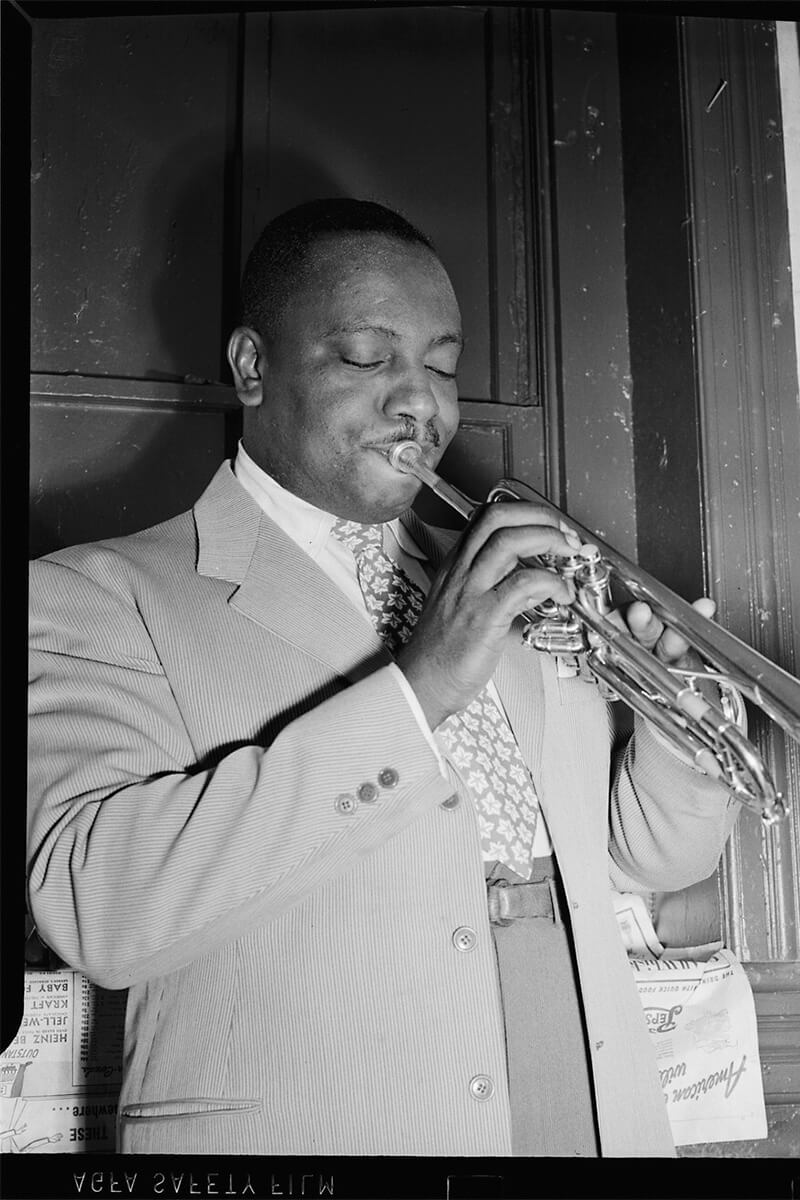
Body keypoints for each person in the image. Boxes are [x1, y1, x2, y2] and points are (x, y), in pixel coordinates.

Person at [28, 198, 739, 1158]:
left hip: (594, 1116)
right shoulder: (96, 594)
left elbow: (648, 858)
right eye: (368, 359)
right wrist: (421, 687)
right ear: (252, 367)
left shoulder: (515, 583)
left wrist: (679, 726)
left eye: (441, 366)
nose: (422, 402)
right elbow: (97, 910)